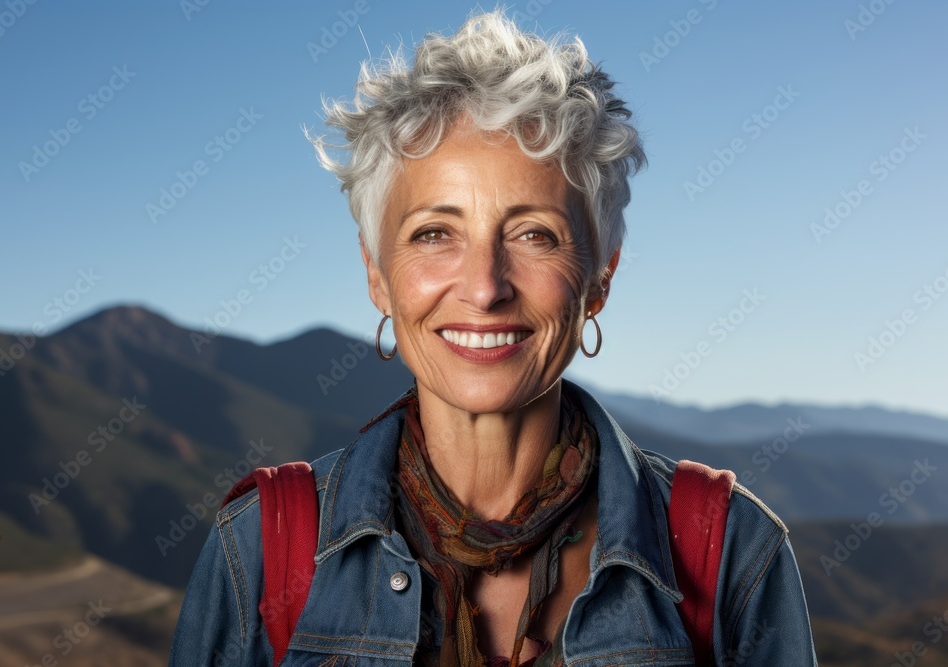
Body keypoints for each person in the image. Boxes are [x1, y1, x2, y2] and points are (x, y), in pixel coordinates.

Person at [170, 10, 817, 666]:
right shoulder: (257, 550)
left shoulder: (731, 549)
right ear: (378, 277)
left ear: (599, 279)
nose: (484, 287)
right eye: (434, 233)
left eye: (534, 233)